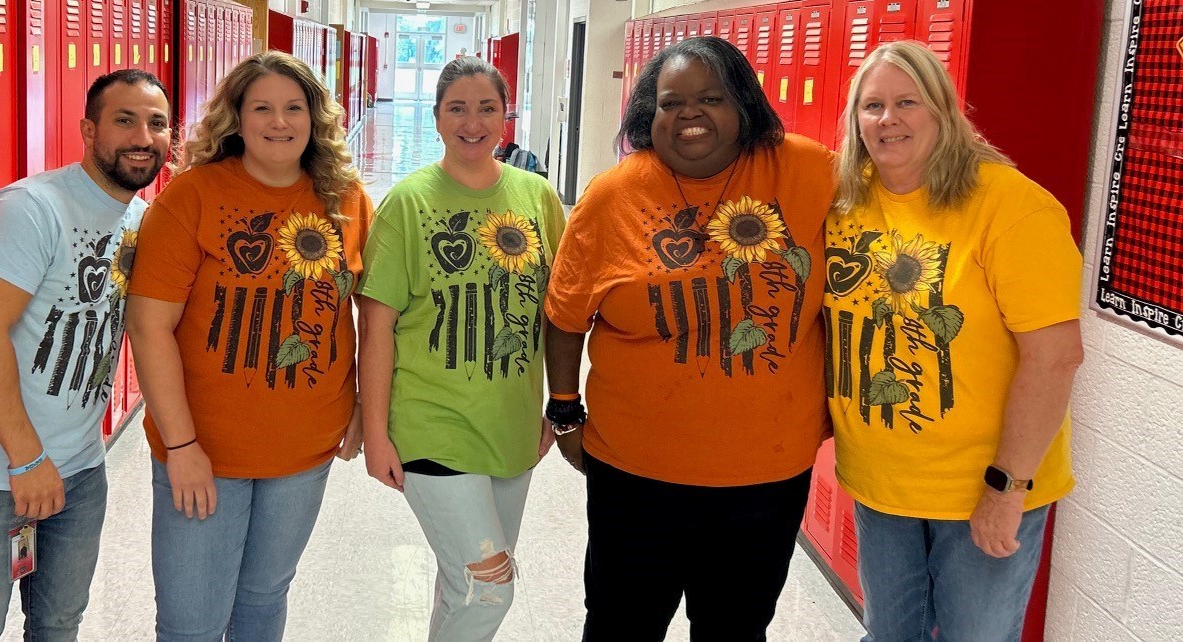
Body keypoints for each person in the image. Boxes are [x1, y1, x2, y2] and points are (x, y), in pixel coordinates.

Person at [543, 36, 836, 640]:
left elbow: (903, 187)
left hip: (766, 474)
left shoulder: (811, 171)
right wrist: (566, 412)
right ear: (649, 113)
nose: (690, 114)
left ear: (745, 105)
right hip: (636, 473)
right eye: (672, 103)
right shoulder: (612, 197)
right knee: (622, 623)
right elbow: (565, 316)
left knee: (735, 627)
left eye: (711, 98)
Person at [825, 41, 1082, 641]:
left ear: (943, 109)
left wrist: (1008, 488)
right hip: (880, 484)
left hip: (982, 487)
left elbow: (1055, 357)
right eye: (872, 106)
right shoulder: (847, 201)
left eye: (907, 102)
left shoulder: (1011, 206)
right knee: (891, 636)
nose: (888, 120)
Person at [126, 50, 371, 641]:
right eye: (262, 107)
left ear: (315, 119)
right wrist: (181, 444)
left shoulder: (346, 200)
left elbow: (365, 314)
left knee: (264, 602)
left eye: (294, 107)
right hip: (205, 451)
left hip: (305, 447)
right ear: (236, 117)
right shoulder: (192, 198)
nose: (279, 121)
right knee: (192, 622)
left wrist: (363, 407)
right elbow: (149, 325)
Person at [0, 68, 169, 639]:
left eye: (156, 123)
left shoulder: (138, 219)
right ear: (88, 130)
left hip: (80, 470)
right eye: (124, 120)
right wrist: (26, 458)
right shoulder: (30, 210)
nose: (142, 136)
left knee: (58, 623)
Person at [358, 56, 564, 641]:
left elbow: (558, 313)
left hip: (511, 426)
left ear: (507, 116)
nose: (472, 122)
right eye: (457, 108)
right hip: (432, 424)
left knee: (464, 586)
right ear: (436, 117)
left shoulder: (538, 197)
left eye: (486, 108)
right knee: (491, 587)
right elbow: (377, 326)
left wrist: (558, 406)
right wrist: (376, 432)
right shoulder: (409, 202)